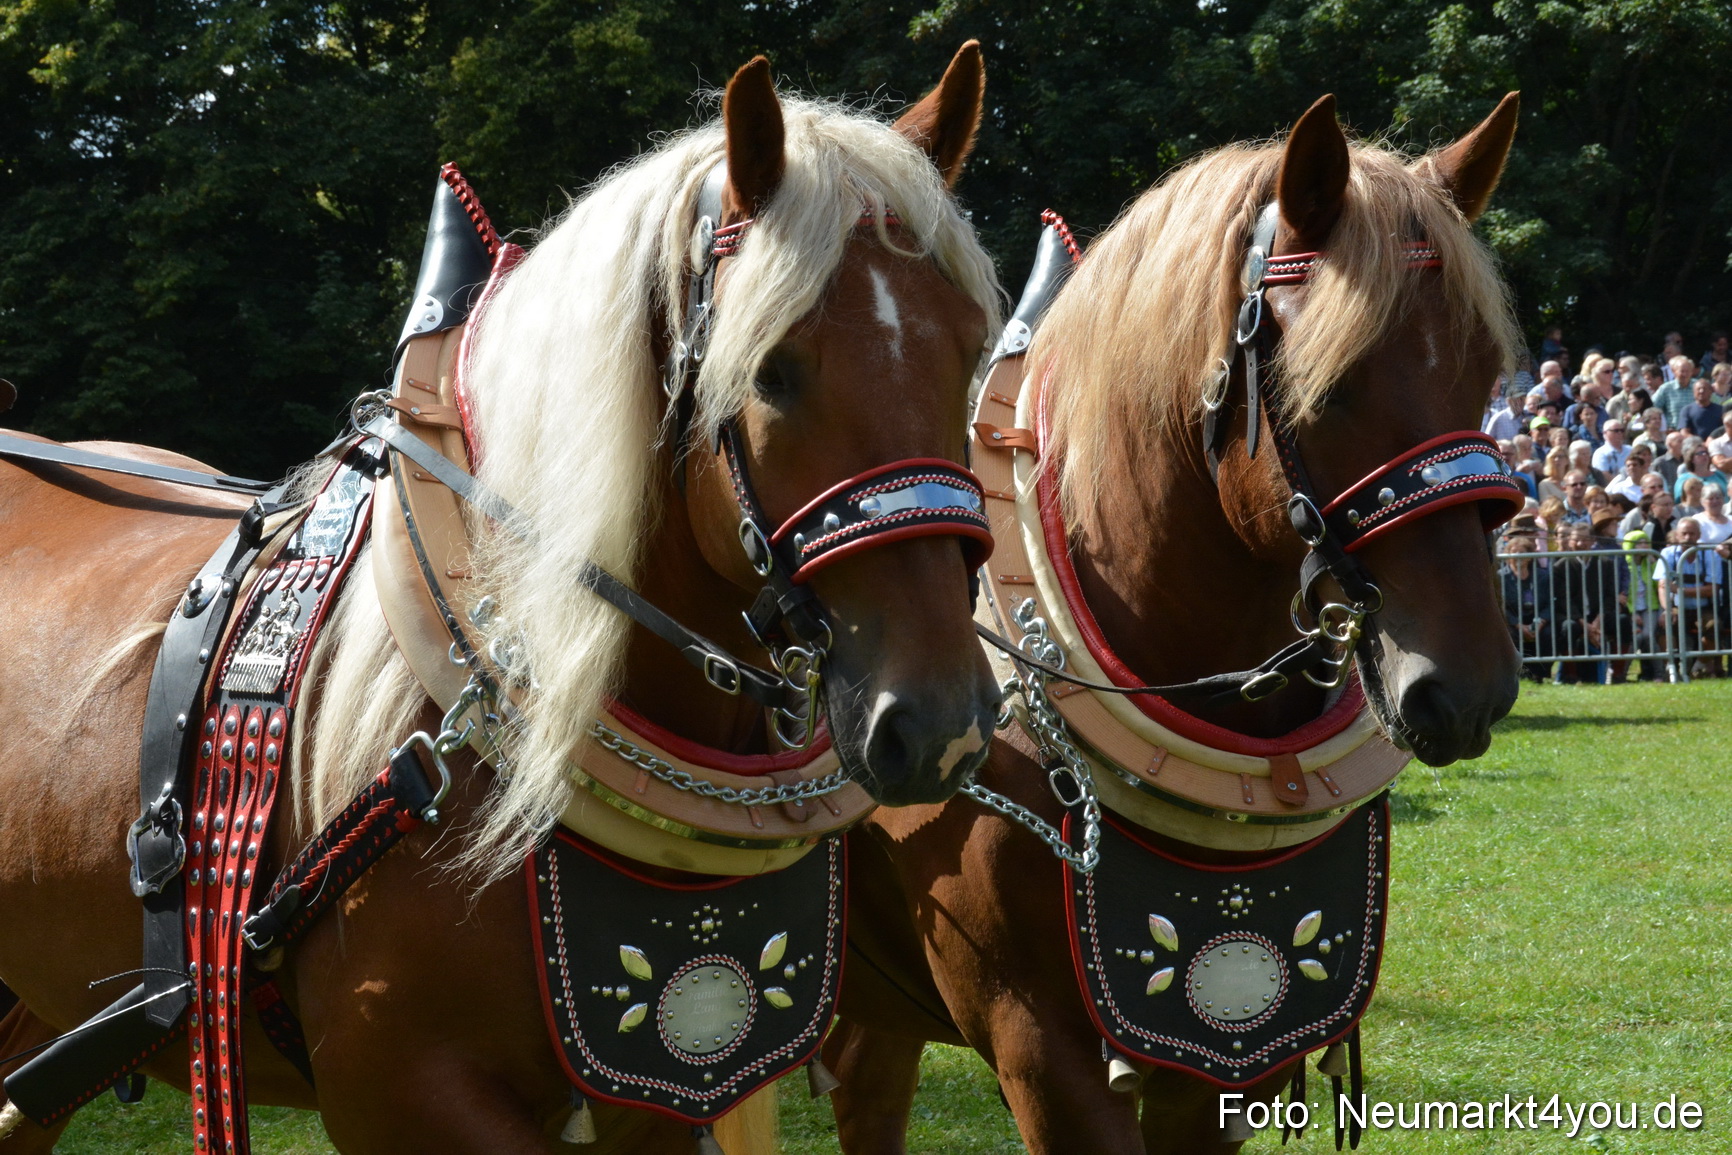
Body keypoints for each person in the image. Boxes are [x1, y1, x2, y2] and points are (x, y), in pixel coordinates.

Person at [1657, 518, 1723, 677]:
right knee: (1664, 623)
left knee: (1714, 625)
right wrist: (1667, 609)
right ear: (1677, 535)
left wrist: (1681, 590)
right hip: (1676, 607)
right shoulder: (1667, 553)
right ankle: (1670, 667)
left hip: (1702, 608)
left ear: (1699, 535)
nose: (1688, 538)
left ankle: (1698, 665)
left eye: (1692, 534)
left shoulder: (1710, 554)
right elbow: (1662, 586)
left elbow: (1712, 589)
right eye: (1684, 534)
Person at [1500, 535, 1552, 682]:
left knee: (1548, 634)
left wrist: (1540, 622)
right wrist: (1518, 625)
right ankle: (1518, 673)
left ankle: (1540, 674)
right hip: (1513, 621)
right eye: (1513, 552)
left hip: (1538, 619)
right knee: (1511, 635)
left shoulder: (1542, 576)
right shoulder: (1501, 577)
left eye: (1521, 552)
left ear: (1529, 556)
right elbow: (1502, 606)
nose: (1517, 556)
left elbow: (1549, 603)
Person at [1622, 527, 1665, 680]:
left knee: (1648, 636)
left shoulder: (1651, 562)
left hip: (1649, 607)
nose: (1644, 546)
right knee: (1634, 639)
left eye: (1646, 542)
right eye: (1639, 543)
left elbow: (1658, 585)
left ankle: (1659, 674)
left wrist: (1654, 564)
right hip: (1631, 609)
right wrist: (1632, 613)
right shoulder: (1624, 566)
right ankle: (1621, 674)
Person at [1653, 356, 1693, 429]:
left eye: (1687, 371)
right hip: (1673, 431)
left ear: (1691, 372)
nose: (1684, 374)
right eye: (1682, 371)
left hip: (1695, 431)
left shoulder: (1699, 387)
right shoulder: (1666, 388)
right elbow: (1653, 406)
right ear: (1674, 372)